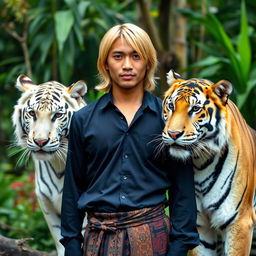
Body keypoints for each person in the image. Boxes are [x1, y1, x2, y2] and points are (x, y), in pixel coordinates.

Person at [60, 23, 199, 256]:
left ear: (148, 63)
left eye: (136, 56)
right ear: (105, 63)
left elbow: (182, 189)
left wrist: (178, 248)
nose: (127, 65)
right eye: (118, 56)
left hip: (155, 240)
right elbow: (73, 188)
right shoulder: (83, 120)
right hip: (98, 242)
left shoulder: (168, 121)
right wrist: (72, 246)